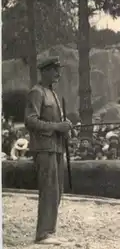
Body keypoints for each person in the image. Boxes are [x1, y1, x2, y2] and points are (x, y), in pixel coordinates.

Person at [24, 56, 73, 245]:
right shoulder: (36, 93)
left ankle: (49, 231)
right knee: (49, 189)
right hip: (44, 148)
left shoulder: (52, 93)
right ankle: (42, 233)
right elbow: (30, 121)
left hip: (57, 147)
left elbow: (56, 123)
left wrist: (65, 128)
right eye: (54, 70)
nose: (58, 73)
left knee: (57, 190)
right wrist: (57, 127)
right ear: (44, 71)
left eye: (59, 69)